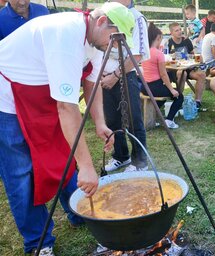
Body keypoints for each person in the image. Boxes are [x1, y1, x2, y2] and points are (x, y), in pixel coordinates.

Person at [0, 2, 133, 255]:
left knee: (64, 158)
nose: (114, 45)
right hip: (7, 98)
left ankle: (78, 212)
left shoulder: (95, 39)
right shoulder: (67, 35)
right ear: (102, 21)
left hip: (41, 96)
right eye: (114, 38)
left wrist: (101, 123)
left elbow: (91, 86)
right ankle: (39, 242)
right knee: (20, 174)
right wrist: (86, 166)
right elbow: (67, 108)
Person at [101, 0, 149, 173]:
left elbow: (137, 55)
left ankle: (140, 162)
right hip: (104, 77)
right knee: (112, 119)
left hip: (125, 77)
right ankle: (121, 156)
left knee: (133, 120)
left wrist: (115, 76)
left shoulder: (137, 18)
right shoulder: (105, 12)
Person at [142, 23, 184, 129]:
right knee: (179, 96)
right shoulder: (158, 53)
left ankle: (154, 117)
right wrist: (172, 90)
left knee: (165, 94)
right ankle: (169, 120)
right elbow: (163, 74)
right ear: (158, 38)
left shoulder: (144, 51)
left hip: (145, 86)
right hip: (155, 86)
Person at [167, 22, 206, 111]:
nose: (180, 32)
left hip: (188, 68)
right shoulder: (169, 42)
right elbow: (166, 58)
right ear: (171, 33)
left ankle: (197, 102)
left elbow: (193, 54)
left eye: (180, 29)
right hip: (174, 69)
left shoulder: (186, 41)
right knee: (182, 73)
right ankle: (179, 100)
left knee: (202, 75)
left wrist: (196, 58)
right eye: (177, 30)